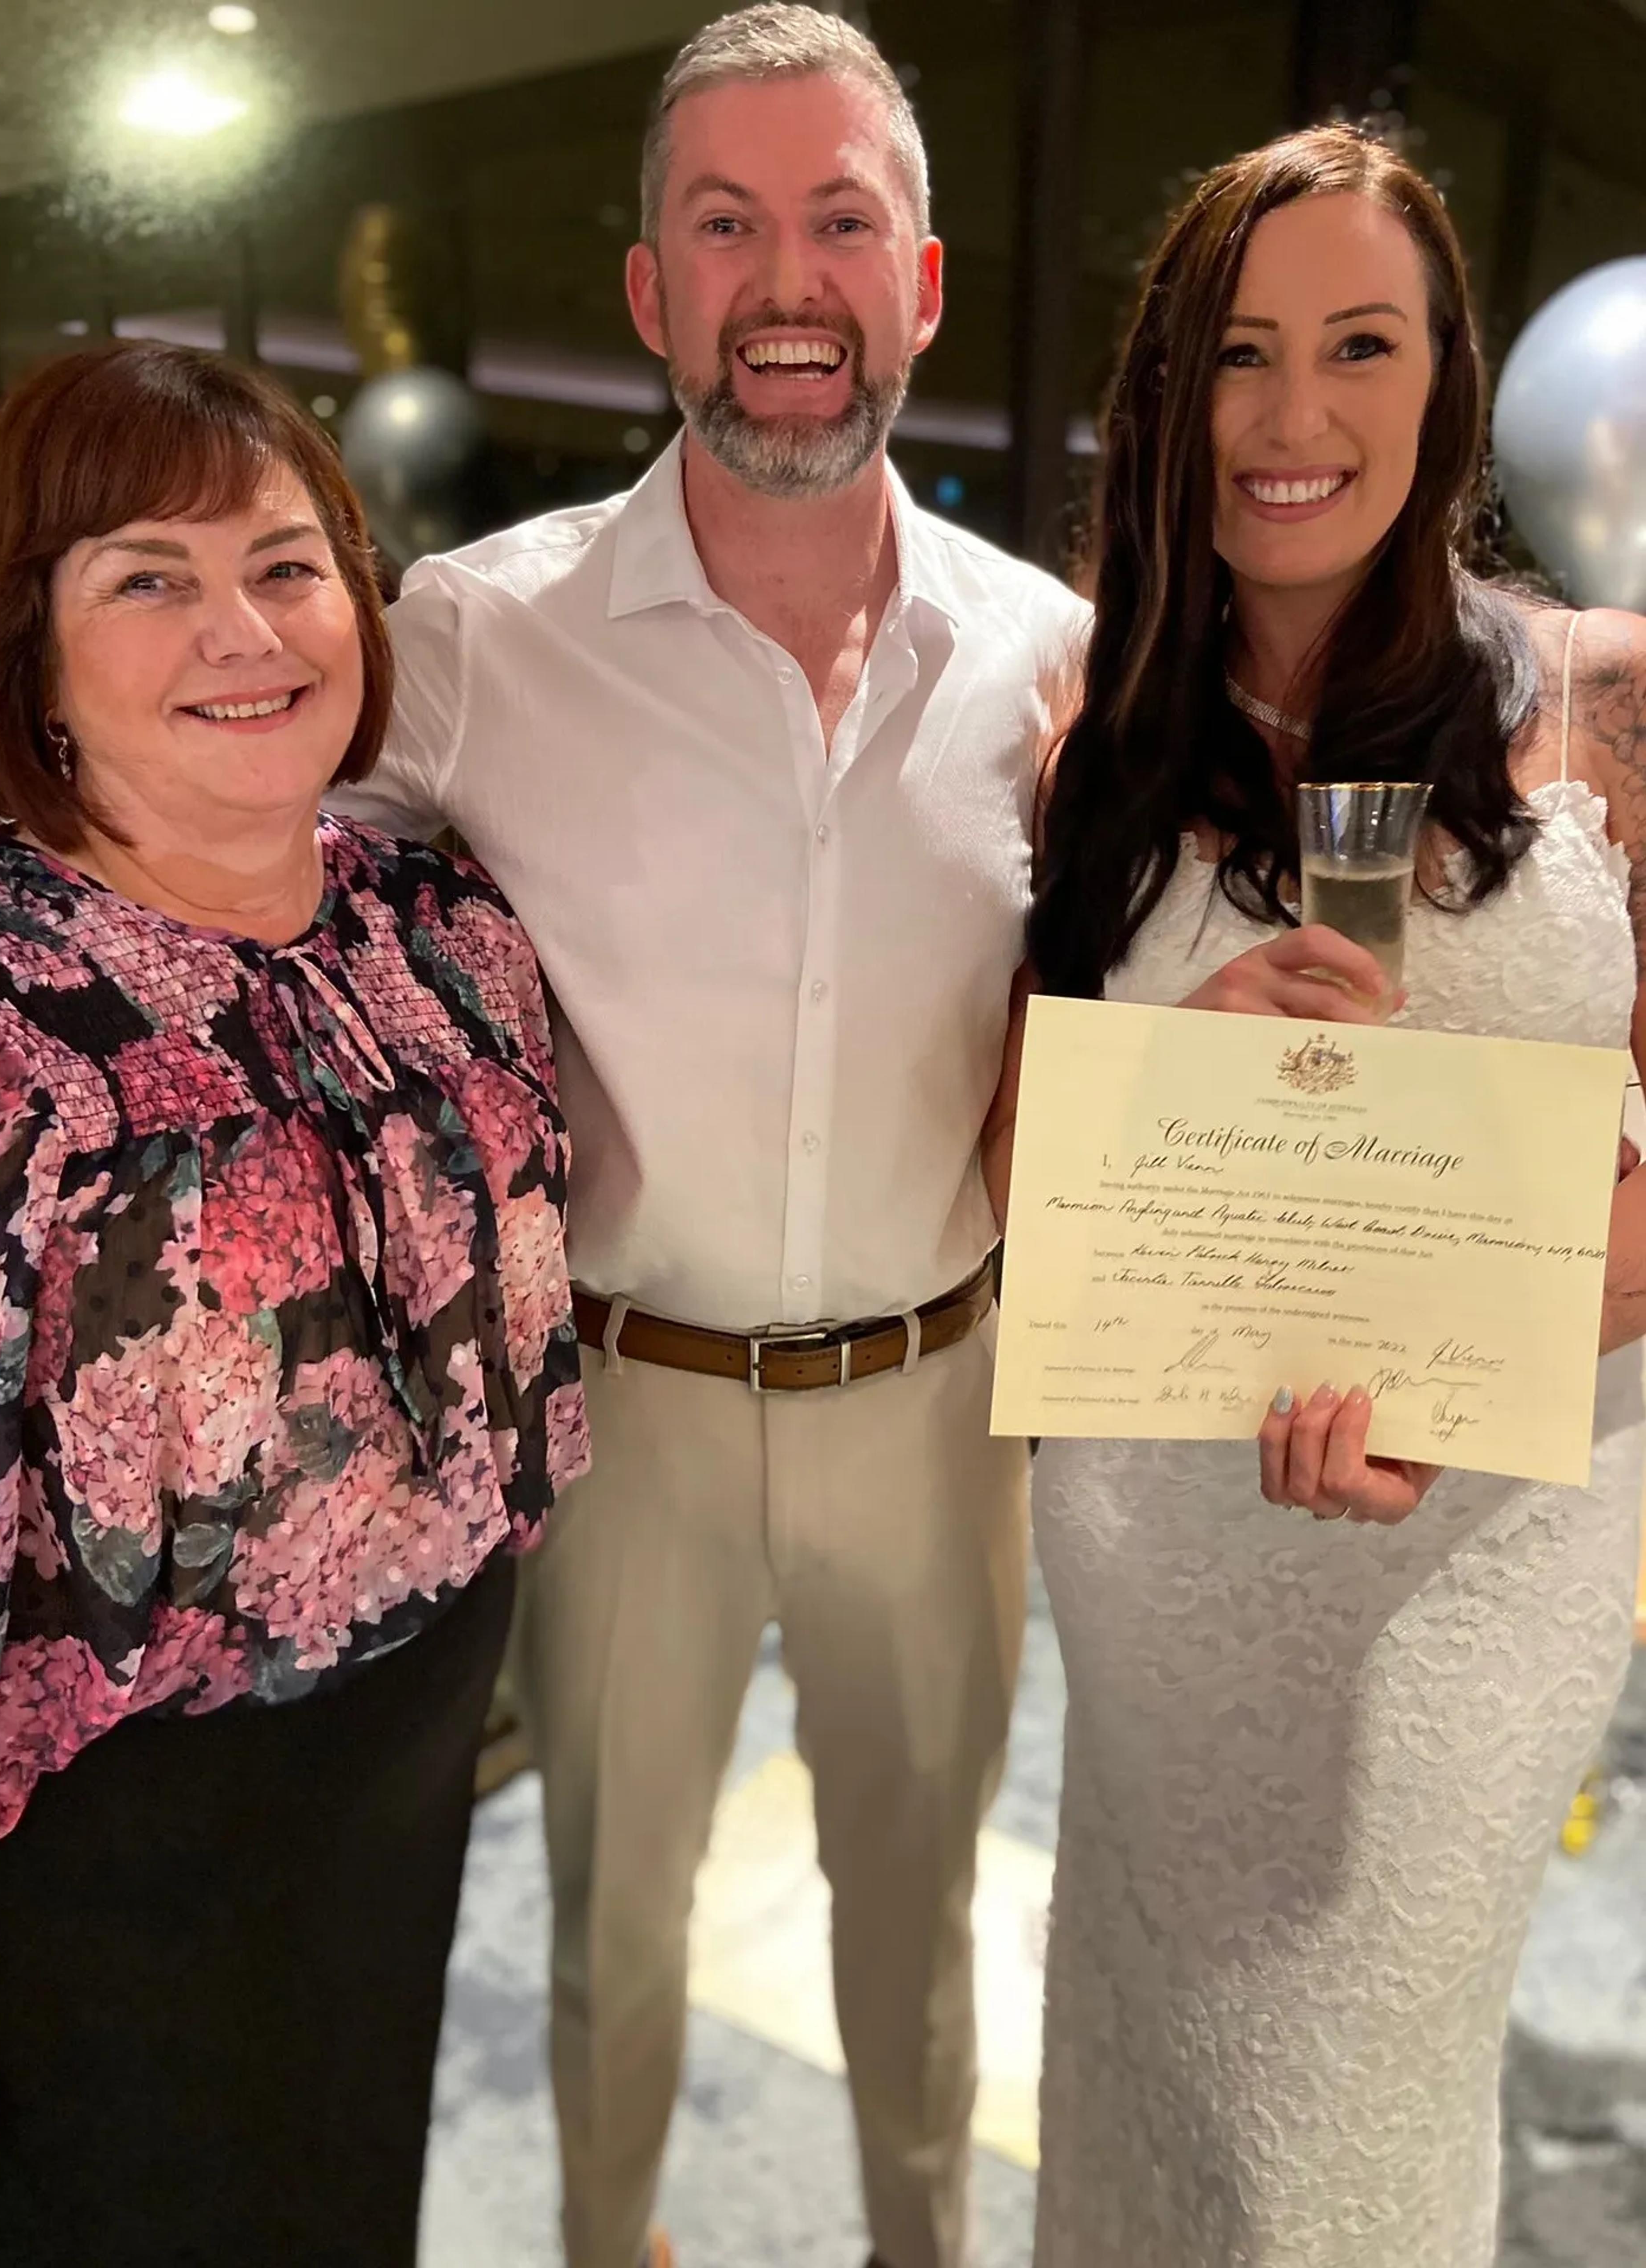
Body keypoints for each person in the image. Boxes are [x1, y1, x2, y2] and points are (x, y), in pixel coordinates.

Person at [334, 8, 1090, 2264]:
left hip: (942, 1400)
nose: (789, 279)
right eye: (727, 223)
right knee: (610, 1935)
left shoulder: (1049, 651)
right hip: (623, 1413)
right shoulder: (476, 641)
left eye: (840, 220)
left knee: (921, 1934)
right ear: (653, 290)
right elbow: (256, 890)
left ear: (919, 283)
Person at [993, 126, 1646, 2267]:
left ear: (1447, 380)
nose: (1295, 418)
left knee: (1349, 2133)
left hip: (1474, 1547)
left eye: (1360, 345)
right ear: (1169, 399)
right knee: (1152, 2065)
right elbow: (1024, 1154)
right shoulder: (1088, 718)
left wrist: (1466, 1377)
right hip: (1160, 1523)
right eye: (1239, 356)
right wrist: (1197, 1068)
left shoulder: (1601, 701)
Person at [0, 340, 587, 2268]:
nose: (243, 626)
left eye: (289, 564)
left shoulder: (442, 919)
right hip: (102, 1852)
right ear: (31, 649)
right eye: (148, 574)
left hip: (397, 1769)